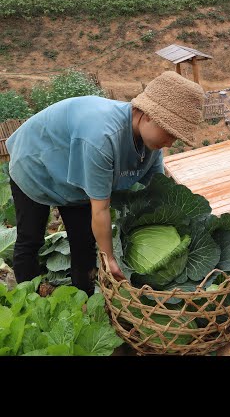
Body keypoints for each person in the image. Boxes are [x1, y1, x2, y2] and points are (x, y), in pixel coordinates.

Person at [6, 70, 204, 295]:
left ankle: (84, 300)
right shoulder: (102, 137)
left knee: (84, 245)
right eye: (169, 132)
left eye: (176, 137)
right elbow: (100, 210)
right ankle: (27, 300)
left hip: (76, 179)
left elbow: (157, 195)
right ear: (148, 115)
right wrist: (110, 258)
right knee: (30, 239)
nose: (170, 141)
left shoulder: (152, 148)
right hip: (36, 163)